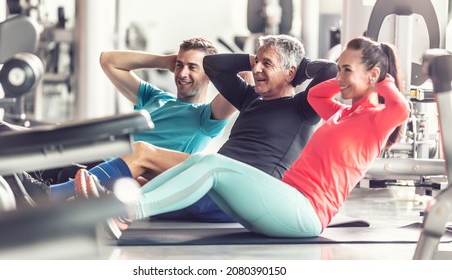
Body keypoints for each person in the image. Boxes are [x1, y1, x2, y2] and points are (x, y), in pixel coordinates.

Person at [78, 36, 410, 237]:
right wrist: (342, 76)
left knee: (210, 164)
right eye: (338, 69)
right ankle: (113, 207)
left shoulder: (376, 120)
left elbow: (401, 108)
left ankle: (126, 210)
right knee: (202, 164)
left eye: (346, 70)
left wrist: (379, 80)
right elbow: (321, 91)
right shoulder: (340, 114)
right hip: (277, 199)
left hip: (305, 212)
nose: (339, 76)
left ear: (374, 75)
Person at [53, 34, 338, 225]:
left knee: (145, 155)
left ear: (291, 73)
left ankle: (53, 197)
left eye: (267, 63)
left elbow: (329, 71)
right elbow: (212, 65)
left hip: (245, 191)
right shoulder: (250, 98)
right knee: (138, 180)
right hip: (213, 182)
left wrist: (300, 68)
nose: (258, 69)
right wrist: (253, 59)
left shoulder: (303, 107)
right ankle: (76, 205)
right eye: (257, 62)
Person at [0, 37, 235, 206]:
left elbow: (241, 86)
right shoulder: (157, 97)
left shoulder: (205, 117)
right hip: (85, 149)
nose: (182, 73)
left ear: (209, 75)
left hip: (105, 167)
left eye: (193, 67)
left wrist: (219, 67)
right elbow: (109, 60)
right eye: (180, 65)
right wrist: (164, 61)